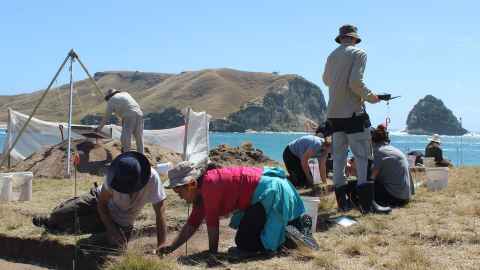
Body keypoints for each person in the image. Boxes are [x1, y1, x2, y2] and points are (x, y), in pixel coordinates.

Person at [157, 162, 316, 255]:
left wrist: (213, 255)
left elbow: (213, 226)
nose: (179, 197)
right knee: (251, 234)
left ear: (191, 185)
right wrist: (172, 247)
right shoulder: (202, 190)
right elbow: (192, 224)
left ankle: (287, 237)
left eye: (180, 192)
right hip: (269, 191)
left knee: (245, 243)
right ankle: (297, 227)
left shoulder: (209, 187)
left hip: (270, 194)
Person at [32, 152, 168, 248]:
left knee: (72, 229)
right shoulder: (114, 175)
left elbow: (160, 214)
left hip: (121, 221)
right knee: (59, 215)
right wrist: (111, 229)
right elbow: (102, 204)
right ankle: (50, 220)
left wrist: (161, 245)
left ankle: (96, 227)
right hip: (97, 200)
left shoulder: (153, 179)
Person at [322, 24, 390, 214]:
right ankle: (367, 206)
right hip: (353, 113)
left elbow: (326, 80)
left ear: (341, 38)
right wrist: (371, 97)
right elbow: (355, 82)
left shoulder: (332, 55)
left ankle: (343, 204)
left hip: (333, 114)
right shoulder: (359, 53)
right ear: (354, 38)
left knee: (339, 159)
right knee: (363, 158)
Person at [370, 125, 412, 207]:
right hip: (406, 197)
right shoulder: (394, 150)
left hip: (395, 198)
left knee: (364, 185)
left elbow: (372, 178)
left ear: (372, 140)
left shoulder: (378, 152)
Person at [283, 123, 333, 188]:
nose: (332, 152)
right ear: (329, 146)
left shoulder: (326, 150)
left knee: (308, 181)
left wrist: (324, 183)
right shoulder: (317, 145)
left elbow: (322, 166)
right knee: (300, 182)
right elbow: (304, 161)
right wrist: (309, 178)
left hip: (299, 156)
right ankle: (284, 179)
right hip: (290, 154)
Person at [96, 88, 144, 153]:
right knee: (139, 138)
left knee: (126, 137)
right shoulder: (126, 94)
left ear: (109, 96)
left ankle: (126, 154)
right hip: (139, 114)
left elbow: (106, 117)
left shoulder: (111, 100)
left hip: (128, 116)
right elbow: (127, 106)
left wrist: (99, 128)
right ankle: (142, 156)